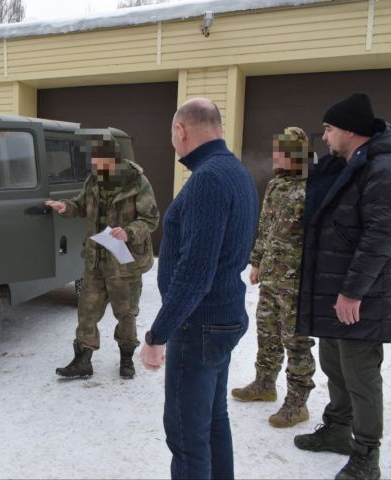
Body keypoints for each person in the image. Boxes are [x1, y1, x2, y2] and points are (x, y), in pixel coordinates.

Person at [294, 93, 391, 480]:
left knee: (361, 374)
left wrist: (353, 291)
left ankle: (366, 454)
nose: (324, 137)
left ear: (349, 130)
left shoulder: (385, 169)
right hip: (336, 289)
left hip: (362, 295)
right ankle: (336, 429)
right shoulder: (347, 165)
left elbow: (381, 235)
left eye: (329, 129)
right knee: (334, 363)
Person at [139, 98, 258, 479]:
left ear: (181, 130)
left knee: (187, 437)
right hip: (221, 318)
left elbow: (195, 273)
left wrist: (158, 334)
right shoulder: (232, 170)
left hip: (199, 324)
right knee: (212, 420)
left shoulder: (208, 179)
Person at [46, 132, 159, 379]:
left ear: (116, 160)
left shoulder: (137, 182)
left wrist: (129, 232)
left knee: (126, 313)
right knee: (87, 310)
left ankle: (126, 359)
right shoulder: (94, 181)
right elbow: (80, 204)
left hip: (124, 263)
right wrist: (66, 207)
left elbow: (151, 219)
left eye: (102, 163)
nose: (97, 167)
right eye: (95, 163)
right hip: (96, 260)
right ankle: (83, 360)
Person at [231, 127, 316, 428]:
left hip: (297, 280)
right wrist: (256, 262)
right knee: (266, 332)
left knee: (296, 340)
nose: (274, 157)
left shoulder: (315, 186)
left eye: (280, 152)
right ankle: (265, 384)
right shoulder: (276, 185)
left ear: (295, 154)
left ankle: (297, 403)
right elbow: (265, 227)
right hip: (271, 275)